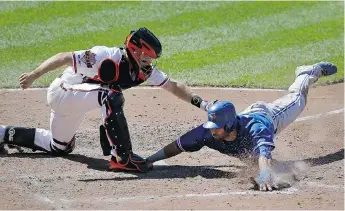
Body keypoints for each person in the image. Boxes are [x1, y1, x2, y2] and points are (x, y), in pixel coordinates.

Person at [0, 27, 213, 173]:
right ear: (136, 51)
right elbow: (64, 57)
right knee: (110, 95)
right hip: (62, 93)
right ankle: (122, 158)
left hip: (78, 101)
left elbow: (173, 86)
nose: (150, 62)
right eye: (147, 57)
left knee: (59, 146)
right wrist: (33, 75)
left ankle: (3, 133)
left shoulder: (142, 71)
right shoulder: (105, 56)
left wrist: (203, 104)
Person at [146, 62, 338, 190]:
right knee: (253, 158)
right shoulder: (207, 133)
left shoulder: (258, 128)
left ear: (229, 125)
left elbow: (264, 155)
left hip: (267, 116)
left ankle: (306, 73)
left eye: (217, 126)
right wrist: (149, 160)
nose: (213, 130)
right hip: (244, 121)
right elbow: (177, 145)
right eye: (212, 125)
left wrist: (264, 176)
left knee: (297, 99)